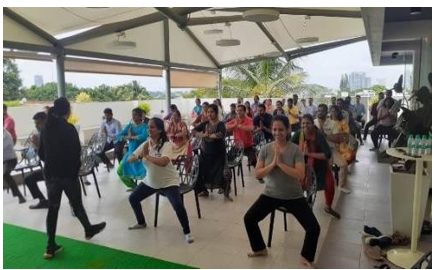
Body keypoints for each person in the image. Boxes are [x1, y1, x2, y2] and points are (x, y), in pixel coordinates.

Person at [244, 115, 320, 268]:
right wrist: (273, 164)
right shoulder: (266, 149)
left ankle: (306, 256)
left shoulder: (295, 150)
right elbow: (258, 173)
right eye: (274, 129)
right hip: (270, 194)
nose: (277, 133)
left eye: (281, 129)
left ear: (288, 130)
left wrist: (280, 163)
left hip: (293, 196)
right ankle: (259, 248)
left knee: (314, 228)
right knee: (249, 219)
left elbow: (300, 174)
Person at [38, 97, 106, 259]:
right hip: (68, 174)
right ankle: (88, 229)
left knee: (53, 209)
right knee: (77, 205)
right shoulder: (69, 128)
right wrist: (74, 170)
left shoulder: (46, 129)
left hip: (52, 175)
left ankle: (50, 246)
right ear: (67, 111)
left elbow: (41, 154)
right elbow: (76, 153)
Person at [126, 118, 194, 243]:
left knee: (178, 205)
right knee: (133, 198)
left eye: (152, 127)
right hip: (151, 181)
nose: (148, 129)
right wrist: (137, 156)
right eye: (148, 127)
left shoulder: (167, 145)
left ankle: (187, 231)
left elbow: (163, 162)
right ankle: (141, 222)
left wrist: (147, 156)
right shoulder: (146, 144)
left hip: (168, 182)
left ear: (159, 130)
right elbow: (130, 159)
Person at [292, 114, 340, 219]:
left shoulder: (319, 136)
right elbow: (290, 147)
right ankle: (303, 206)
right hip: (304, 165)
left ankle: (328, 207)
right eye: (303, 123)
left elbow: (327, 155)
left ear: (313, 124)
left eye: (307, 123)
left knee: (330, 184)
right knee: (303, 186)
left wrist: (309, 154)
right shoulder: (298, 134)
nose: (305, 125)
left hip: (320, 165)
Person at [192, 104, 228, 198]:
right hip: (205, 153)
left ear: (216, 113)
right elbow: (194, 131)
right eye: (208, 112)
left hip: (218, 154)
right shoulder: (205, 123)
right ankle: (203, 190)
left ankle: (224, 189)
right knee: (195, 170)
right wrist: (201, 134)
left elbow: (221, 134)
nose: (209, 114)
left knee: (222, 173)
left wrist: (209, 135)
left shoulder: (220, 124)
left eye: (212, 112)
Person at [116, 108, 149, 189]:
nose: (133, 116)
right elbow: (118, 136)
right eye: (132, 114)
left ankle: (146, 189)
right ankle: (134, 187)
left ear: (140, 116)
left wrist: (133, 137)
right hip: (130, 154)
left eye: (135, 115)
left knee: (147, 173)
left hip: (141, 154)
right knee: (119, 171)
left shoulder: (145, 126)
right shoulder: (129, 126)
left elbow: (144, 136)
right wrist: (127, 137)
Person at [25, 112, 49, 209]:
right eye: (35, 123)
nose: (36, 126)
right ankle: (43, 201)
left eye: (38, 123)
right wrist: (35, 146)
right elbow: (40, 157)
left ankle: (73, 204)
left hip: (55, 169)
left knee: (29, 179)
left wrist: (38, 145)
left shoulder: (49, 135)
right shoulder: (41, 134)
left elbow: (47, 157)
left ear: (45, 121)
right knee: (28, 179)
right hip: (49, 168)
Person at [327, 105, 353, 194]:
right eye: (331, 111)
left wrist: (337, 135)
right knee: (327, 165)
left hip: (340, 146)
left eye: (335, 111)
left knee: (345, 162)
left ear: (338, 112)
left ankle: (341, 185)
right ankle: (327, 182)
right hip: (329, 146)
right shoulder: (327, 122)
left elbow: (345, 134)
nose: (333, 113)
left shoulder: (342, 122)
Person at [4, 128, 26, 204]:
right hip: (4, 161)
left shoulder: (6, 135)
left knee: (5, 174)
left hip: (10, 160)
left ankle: (19, 195)